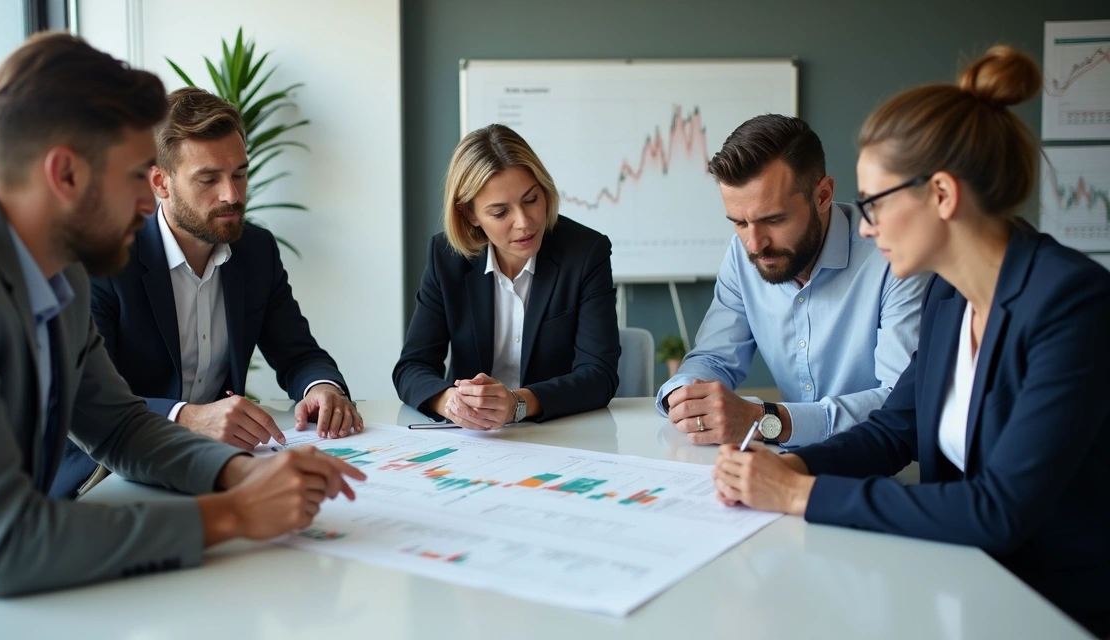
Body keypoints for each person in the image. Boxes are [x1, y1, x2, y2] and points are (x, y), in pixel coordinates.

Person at [0, 33, 364, 639]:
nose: (150, 202)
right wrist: (231, 514)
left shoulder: (59, 266)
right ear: (64, 173)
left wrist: (237, 473)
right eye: (133, 176)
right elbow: (3, 545)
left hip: (37, 595)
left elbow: (117, 425)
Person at [712, 46, 1110, 637]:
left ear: (943, 196)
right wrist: (788, 462)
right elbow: (894, 430)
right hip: (961, 584)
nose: (865, 227)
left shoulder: (1072, 304)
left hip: (1052, 609)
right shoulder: (952, 298)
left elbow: (996, 510)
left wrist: (800, 493)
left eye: (874, 204)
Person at [50, 88, 361, 499]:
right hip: (104, 472)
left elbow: (299, 353)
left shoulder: (256, 251)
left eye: (239, 174)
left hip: (209, 467)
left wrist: (322, 388)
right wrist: (186, 417)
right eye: (208, 179)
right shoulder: (106, 259)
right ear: (160, 182)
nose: (231, 195)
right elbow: (88, 397)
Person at [656, 114, 927, 447]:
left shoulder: (893, 257)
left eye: (774, 220)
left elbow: (900, 402)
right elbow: (713, 358)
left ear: (823, 195)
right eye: (739, 223)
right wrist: (683, 395)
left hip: (887, 473)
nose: (754, 244)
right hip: (787, 466)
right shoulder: (742, 255)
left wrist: (769, 421)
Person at [393, 124, 620, 429]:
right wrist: (452, 403)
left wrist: (518, 404)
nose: (524, 223)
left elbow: (599, 376)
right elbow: (412, 367)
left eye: (531, 200)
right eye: (500, 213)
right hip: (472, 439)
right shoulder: (446, 257)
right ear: (470, 214)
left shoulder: (585, 253)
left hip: (557, 432)